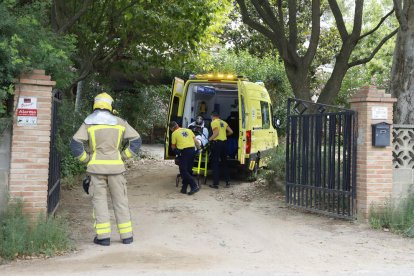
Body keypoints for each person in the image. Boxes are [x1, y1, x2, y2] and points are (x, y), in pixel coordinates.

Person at [70, 92, 141, 246]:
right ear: (110, 106)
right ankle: (127, 236)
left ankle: (103, 238)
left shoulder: (88, 122)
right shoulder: (120, 122)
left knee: (99, 203)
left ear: (95, 105)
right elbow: (136, 141)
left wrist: (87, 159)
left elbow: (75, 143)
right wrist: (123, 156)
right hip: (116, 170)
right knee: (121, 202)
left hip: (96, 171)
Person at [170, 121, 201, 195]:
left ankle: (194, 185)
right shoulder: (189, 130)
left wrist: (175, 150)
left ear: (172, 128)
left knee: (183, 171)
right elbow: (196, 142)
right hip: (192, 151)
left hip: (184, 152)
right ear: (177, 125)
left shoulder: (174, 133)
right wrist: (199, 149)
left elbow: (173, 146)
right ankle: (184, 188)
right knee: (188, 170)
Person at [208, 111, 233, 189]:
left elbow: (216, 133)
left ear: (213, 116)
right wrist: (225, 135)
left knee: (215, 163)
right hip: (224, 144)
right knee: (224, 162)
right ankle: (228, 181)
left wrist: (209, 139)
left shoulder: (214, 122)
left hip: (217, 144)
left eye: (211, 117)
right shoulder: (224, 122)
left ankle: (216, 184)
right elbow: (231, 132)